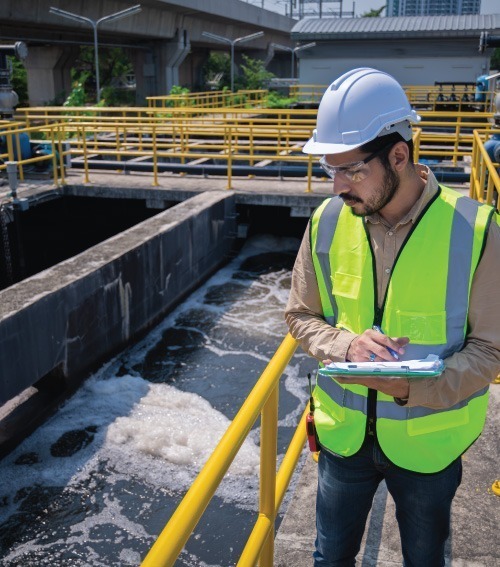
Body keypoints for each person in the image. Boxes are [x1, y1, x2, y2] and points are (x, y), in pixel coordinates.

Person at [285, 67, 500, 567]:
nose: (337, 185)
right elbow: (301, 315)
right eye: (329, 170)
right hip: (343, 442)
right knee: (330, 557)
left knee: (425, 560)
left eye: (351, 170)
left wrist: (410, 388)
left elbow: (490, 350)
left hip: (428, 448)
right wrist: (346, 346)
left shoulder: (477, 229)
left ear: (399, 155)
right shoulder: (327, 221)